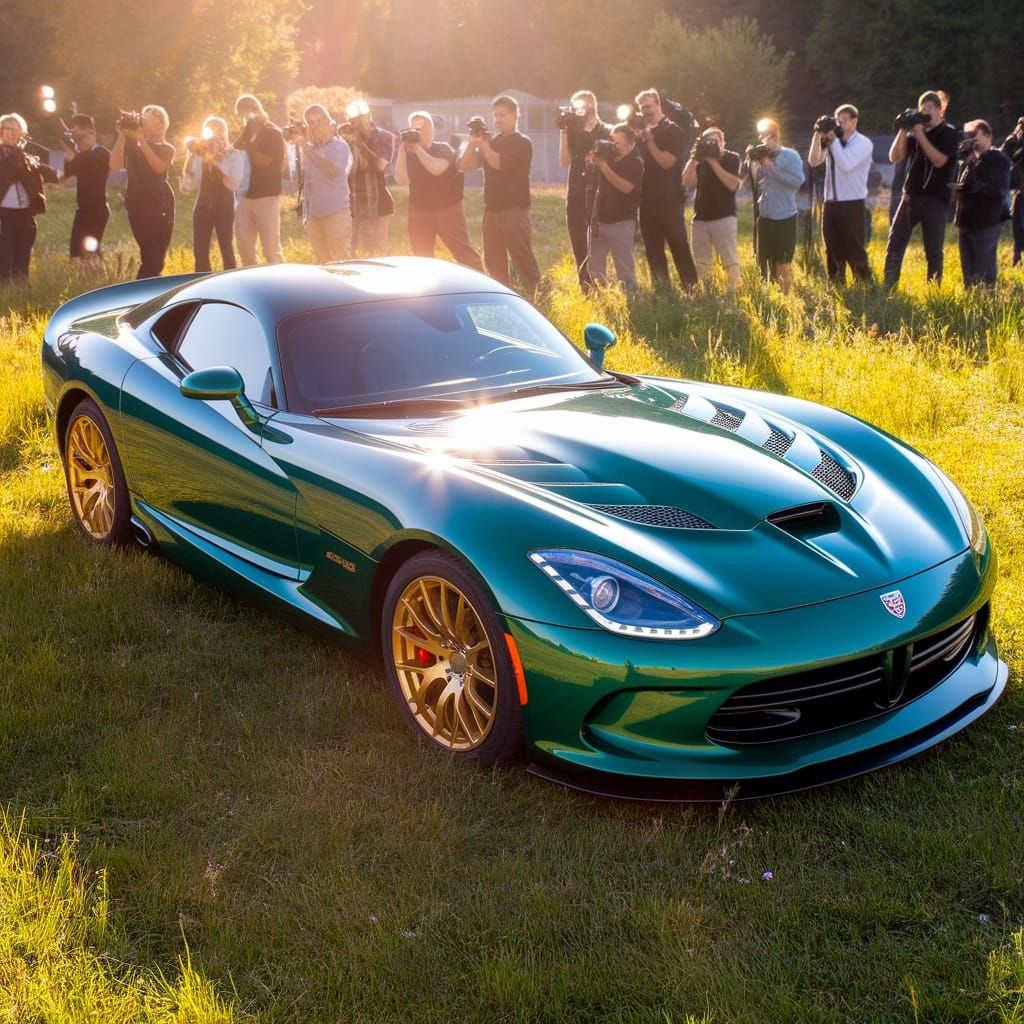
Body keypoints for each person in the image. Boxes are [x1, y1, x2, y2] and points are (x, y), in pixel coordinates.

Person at [457, 94, 541, 298]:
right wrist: (473, 142)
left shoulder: (522, 142)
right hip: (492, 210)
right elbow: (463, 165)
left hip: (514, 209)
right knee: (494, 260)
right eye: (495, 115)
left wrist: (484, 145)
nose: (497, 119)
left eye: (502, 115)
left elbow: (499, 163)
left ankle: (539, 297)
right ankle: (504, 299)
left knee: (522, 258)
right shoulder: (491, 141)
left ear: (515, 115)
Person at [883, 90, 960, 289]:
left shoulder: (949, 133)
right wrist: (903, 130)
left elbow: (939, 160)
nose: (925, 112)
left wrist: (919, 133)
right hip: (910, 197)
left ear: (940, 110)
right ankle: (889, 287)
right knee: (895, 242)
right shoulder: (915, 132)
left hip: (935, 200)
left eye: (930, 108)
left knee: (933, 249)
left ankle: (933, 291)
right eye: (922, 109)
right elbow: (895, 157)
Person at [393, 110, 482, 270]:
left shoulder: (443, 148)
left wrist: (418, 149)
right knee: (422, 257)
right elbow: (401, 179)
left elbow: (436, 168)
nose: (419, 133)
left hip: (447, 209)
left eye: (422, 129)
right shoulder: (409, 153)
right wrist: (402, 151)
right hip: (420, 210)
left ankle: (481, 283)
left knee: (463, 252)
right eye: (415, 130)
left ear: (431, 130)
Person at [633, 89, 697, 289]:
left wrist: (650, 140)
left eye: (649, 106)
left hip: (669, 198)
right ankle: (662, 291)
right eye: (642, 108)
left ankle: (691, 288)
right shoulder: (639, 133)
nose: (646, 111)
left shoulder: (672, 130)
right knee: (653, 249)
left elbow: (666, 162)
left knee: (678, 245)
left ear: (658, 104)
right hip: (646, 199)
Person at [808, 104, 874, 283]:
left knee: (854, 248)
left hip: (852, 202)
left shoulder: (863, 143)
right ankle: (837, 284)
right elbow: (814, 161)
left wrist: (832, 140)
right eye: (838, 121)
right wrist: (818, 134)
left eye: (844, 121)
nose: (840, 124)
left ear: (854, 121)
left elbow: (846, 165)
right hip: (831, 203)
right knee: (832, 248)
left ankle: (866, 286)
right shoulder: (832, 141)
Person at [109, 105, 175, 279]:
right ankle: (143, 295)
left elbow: (159, 168)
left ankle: (151, 295)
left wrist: (141, 140)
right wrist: (122, 137)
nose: (157, 120)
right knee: (151, 257)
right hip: (138, 205)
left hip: (163, 204)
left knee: (157, 259)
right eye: (150, 116)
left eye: (159, 117)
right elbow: (114, 165)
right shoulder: (133, 144)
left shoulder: (167, 148)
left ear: (164, 124)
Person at [558, 90, 611, 290]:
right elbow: (564, 161)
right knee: (578, 242)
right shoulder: (573, 131)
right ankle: (585, 286)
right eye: (575, 105)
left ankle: (602, 284)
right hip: (576, 192)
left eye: (581, 104)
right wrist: (563, 131)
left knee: (598, 242)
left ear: (592, 105)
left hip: (599, 192)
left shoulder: (606, 130)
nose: (578, 109)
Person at [748, 119, 805, 293]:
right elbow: (751, 182)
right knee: (763, 259)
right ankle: (768, 296)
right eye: (762, 136)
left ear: (776, 135)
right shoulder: (760, 156)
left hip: (784, 215)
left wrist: (771, 166)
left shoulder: (790, 156)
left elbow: (798, 181)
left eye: (767, 136)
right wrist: (750, 160)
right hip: (765, 215)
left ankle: (785, 297)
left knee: (783, 261)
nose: (764, 140)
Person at [180, 117, 243, 273]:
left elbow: (235, 182)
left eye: (219, 130)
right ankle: (201, 287)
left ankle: (230, 284)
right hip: (202, 206)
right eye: (211, 130)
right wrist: (191, 154)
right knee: (199, 251)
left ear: (225, 132)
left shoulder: (234, 154)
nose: (216, 135)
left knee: (226, 248)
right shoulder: (201, 154)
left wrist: (215, 159)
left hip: (224, 206)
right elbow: (188, 187)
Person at [0, 113, 58, 280]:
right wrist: (15, 156)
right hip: (4, 214)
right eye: (8, 128)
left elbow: (45, 172)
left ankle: (22, 292)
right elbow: (8, 172)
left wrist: (59, 172)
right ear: (1, 131)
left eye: (16, 129)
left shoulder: (26, 157)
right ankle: (5, 295)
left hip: (26, 214)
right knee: (4, 259)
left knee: (23, 258)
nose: (12, 132)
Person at [953, 120, 1011, 287]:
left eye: (974, 135)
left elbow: (997, 190)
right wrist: (965, 162)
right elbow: (957, 187)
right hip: (965, 222)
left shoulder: (998, 160)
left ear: (988, 136)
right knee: (968, 269)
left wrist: (972, 180)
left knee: (985, 269)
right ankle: (971, 302)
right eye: (968, 136)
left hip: (987, 222)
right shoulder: (967, 161)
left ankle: (987, 302)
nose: (971, 140)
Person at [682, 126, 741, 288]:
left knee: (729, 260)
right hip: (700, 217)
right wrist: (695, 157)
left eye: (714, 141)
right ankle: (708, 294)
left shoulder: (731, 158)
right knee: (702, 262)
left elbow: (732, 185)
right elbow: (688, 182)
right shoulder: (699, 161)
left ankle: (734, 295)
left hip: (724, 216)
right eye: (706, 141)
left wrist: (713, 161)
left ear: (723, 142)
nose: (710, 144)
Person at [587, 124, 644, 292]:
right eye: (612, 140)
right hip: (600, 220)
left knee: (624, 268)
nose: (613, 146)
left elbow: (625, 187)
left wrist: (603, 165)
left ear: (629, 144)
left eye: (617, 143)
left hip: (622, 222)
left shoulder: (635, 162)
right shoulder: (609, 157)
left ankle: (631, 302)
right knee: (595, 266)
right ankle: (600, 301)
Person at [294, 104, 352, 263]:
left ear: (329, 123)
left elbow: (332, 172)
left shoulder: (339, 146)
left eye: (319, 121)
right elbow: (299, 181)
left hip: (336, 213)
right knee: (322, 263)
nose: (316, 126)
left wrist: (306, 150)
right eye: (311, 122)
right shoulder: (307, 149)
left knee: (341, 260)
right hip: (313, 215)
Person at [232, 94, 284, 266]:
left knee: (271, 250)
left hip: (266, 198)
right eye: (242, 115)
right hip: (243, 198)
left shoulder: (273, 134)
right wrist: (245, 133)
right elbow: (233, 152)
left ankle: (283, 286)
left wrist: (250, 140)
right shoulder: (244, 135)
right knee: (245, 251)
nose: (246, 118)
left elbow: (262, 162)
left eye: (248, 113)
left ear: (258, 111)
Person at [342, 101, 395, 256]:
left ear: (369, 117)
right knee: (349, 250)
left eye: (361, 120)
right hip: (351, 202)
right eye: (354, 122)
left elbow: (380, 165)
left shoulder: (386, 137)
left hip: (377, 202)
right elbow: (345, 168)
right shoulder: (347, 139)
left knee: (377, 251)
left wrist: (359, 143)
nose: (358, 125)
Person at [59, 114, 111, 259]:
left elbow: (86, 162)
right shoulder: (79, 155)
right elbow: (62, 178)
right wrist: (66, 150)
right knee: (75, 253)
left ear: (90, 132)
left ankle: (99, 277)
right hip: (83, 210)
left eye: (76, 134)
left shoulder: (102, 153)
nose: (75, 139)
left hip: (97, 210)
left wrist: (71, 154)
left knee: (90, 253)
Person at [1001, 117, 1024, 266]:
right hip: (1020, 190)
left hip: (1019, 191)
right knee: (1018, 226)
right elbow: (1002, 156)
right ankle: (1016, 257)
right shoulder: (1014, 141)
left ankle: (1017, 256)